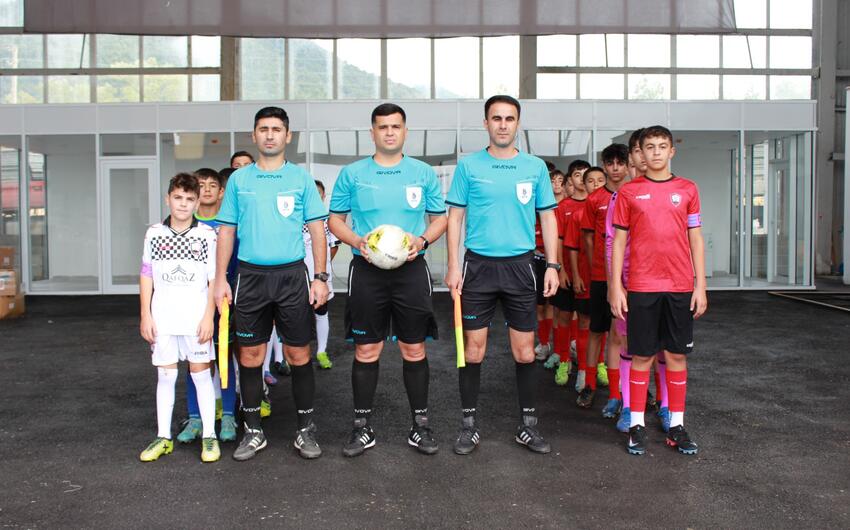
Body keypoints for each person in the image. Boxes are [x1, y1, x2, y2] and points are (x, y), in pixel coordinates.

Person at [329, 103, 447, 457]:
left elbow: (439, 219)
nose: (390, 132)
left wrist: (421, 240)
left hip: (411, 270)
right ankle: (361, 428)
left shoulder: (422, 173)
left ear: (405, 131)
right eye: (383, 127)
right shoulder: (352, 174)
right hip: (367, 270)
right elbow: (335, 220)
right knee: (367, 349)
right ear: (373, 132)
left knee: (414, 348)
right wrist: (357, 242)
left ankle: (420, 426)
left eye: (396, 126)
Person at [444, 95, 559, 455]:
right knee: (473, 350)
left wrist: (553, 265)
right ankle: (468, 427)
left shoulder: (534, 167)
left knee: (524, 352)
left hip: (520, 268)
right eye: (496, 118)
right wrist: (452, 266)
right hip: (478, 267)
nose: (503, 124)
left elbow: (548, 217)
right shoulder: (469, 166)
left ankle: (528, 426)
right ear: (486, 123)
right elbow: (455, 217)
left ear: (518, 123)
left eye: (509, 118)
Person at [215, 106, 330, 461]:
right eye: (263, 129)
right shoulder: (239, 180)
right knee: (250, 355)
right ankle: (253, 431)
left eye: (276, 129)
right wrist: (219, 279)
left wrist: (321, 277)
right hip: (250, 277)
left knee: (298, 355)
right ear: (254, 135)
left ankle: (305, 430)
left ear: (287, 136)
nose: (269, 135)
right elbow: (226, 231)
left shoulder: (300, 179)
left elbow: (317, 230)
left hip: (292, 277)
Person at [609, 125, 707, 456]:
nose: (655, 152)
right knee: (642, 355)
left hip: (680, 286)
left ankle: (677, 425)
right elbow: (618, 241)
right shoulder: (629, 192)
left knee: (676, 355)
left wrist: (701, 285)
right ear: (641, 151)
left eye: (662, 146)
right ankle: (636, 425)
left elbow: (696, 239)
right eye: (649, 146)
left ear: (671, 151)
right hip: (642, 286)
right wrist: (615, 286)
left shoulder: (688, 189)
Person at [139, 173, 219, 463]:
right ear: (168, 199)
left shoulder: (207, 235)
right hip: (162, 317)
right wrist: (145, 314)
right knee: (166, 375)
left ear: (197, 203)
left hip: (195, 318)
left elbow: (213, 279)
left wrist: (209, 317)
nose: (183, 204)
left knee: (201, 374)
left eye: (189, 199)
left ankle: (209, 436)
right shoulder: (154, 233)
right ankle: (163, 437)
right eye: (178, 197)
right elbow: (146, 275)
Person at [176, 168, 240, 444]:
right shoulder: (184, 224)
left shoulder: (229, 224)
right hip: (193, 303)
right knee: (197, 361)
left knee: (224, 356)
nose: (207, 189)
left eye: (213, 185)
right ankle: (195, 418)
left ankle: (228, 414)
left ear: (221, 191)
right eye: (201, 185)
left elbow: (236, 264)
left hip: (224, 301)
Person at [577, 144, 629, 410]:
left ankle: (620, 391)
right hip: (600, 277)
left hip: (631, 278)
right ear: (605, 165)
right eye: (610, 163)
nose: (615, 168)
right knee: (596, 331)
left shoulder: (634, 194)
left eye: (620, 162)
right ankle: (589, 384)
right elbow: (588, 238)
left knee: (622, 336)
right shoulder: (594, 199)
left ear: (628, 164)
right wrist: (597, 268)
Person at [545, 161, 590, 388]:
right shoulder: (563, 207)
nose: (581, 179)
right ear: (570, 180)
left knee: (586, 321)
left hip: (590, 276)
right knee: (563, 316)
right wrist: (560, 270)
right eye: (577, 175)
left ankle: (586, 368)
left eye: (585, 175)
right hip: (568, 274)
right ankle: (564, 361)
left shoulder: (595, 203)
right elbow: (558, 240)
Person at [565, 167, 606, 392]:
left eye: (600, 180)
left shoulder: (613, 208)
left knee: (604, 325)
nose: (595, 184)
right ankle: (583, 370)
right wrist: (577, 275)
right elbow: (571, 247)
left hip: (607, 278)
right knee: (584, 323)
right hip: (585, 277)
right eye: (591, 180)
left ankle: (600, 365)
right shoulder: (577, 214)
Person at [305, 180, 340, 370]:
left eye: (318, 193)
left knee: (321, 312)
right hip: (297, 276)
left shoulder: (327, 220)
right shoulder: (296, 217)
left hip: (320, 276)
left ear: (323, 196)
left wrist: (323, 267)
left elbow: (333, 247)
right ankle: (284, 358)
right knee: (292, 316)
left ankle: (321, 351)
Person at [533, 169, 565, 362]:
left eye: (560, 181)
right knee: (540, 306)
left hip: (557, 263)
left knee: (556, 308)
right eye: (553, 181)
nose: (556, 184)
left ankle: (560, 349)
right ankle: (544, 343)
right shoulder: (534, 210)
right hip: (537, 262)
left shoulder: (564, 208)